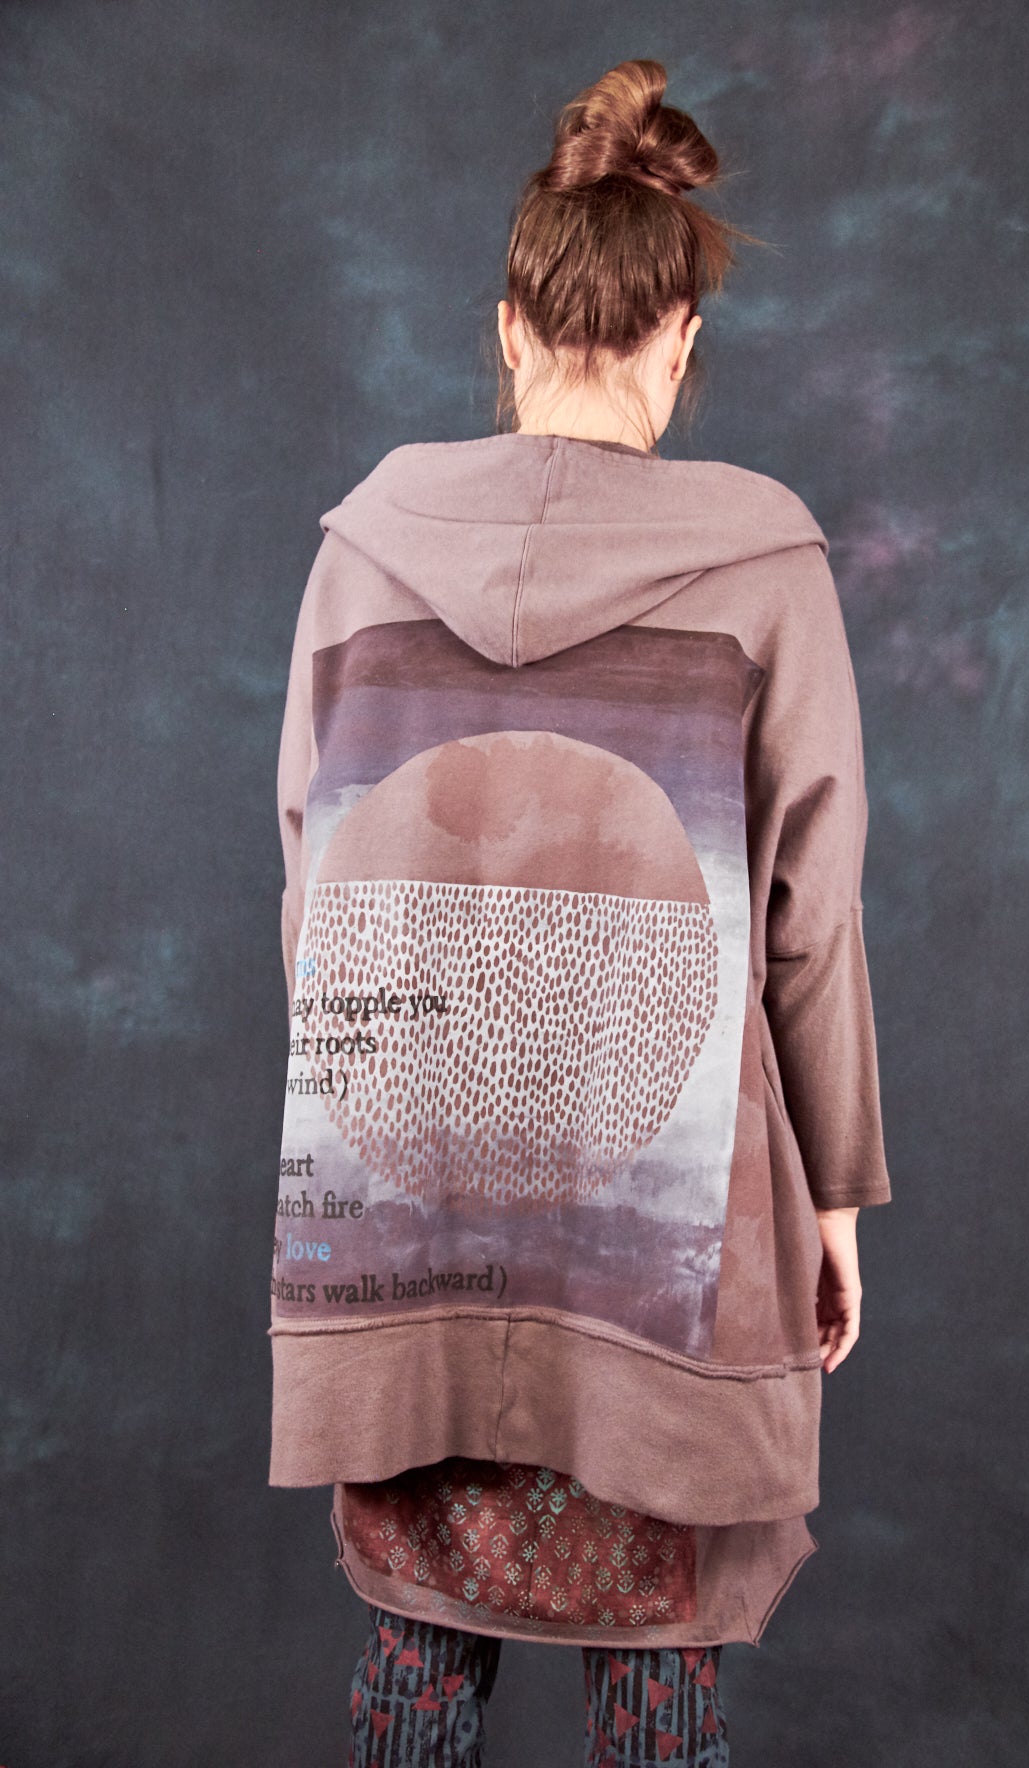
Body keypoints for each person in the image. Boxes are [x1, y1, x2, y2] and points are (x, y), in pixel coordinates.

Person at [271, 57, 891, 1768]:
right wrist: (836, 1197)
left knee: (416, 1661)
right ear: (680, 339)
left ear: (510, 328)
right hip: (665, 1232)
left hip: (408, 1211)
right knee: (657, 1665)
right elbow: (810, 916)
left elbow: (312, 892)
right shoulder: (764, 570)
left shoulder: (364, 550)